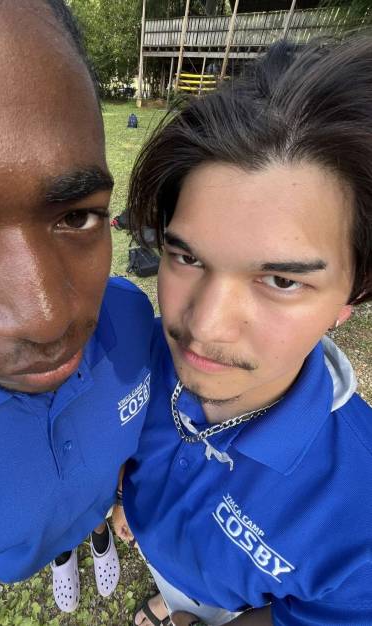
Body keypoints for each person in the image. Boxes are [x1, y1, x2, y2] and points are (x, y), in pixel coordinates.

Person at [0, 0, 154, 614]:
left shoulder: (131, 320)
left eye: (77, 216)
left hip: (101, 504)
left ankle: (93, 536)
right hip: (13, 552)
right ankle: (59, 554)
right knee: (36, 547)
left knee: (91, 512)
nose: (47, 318)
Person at [114, 37, 372, 625]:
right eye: (187, 257)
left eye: (280, 280)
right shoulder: (132, 351)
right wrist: (128, 495)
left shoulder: (361, 511)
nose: (203, 327)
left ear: (353, 295)